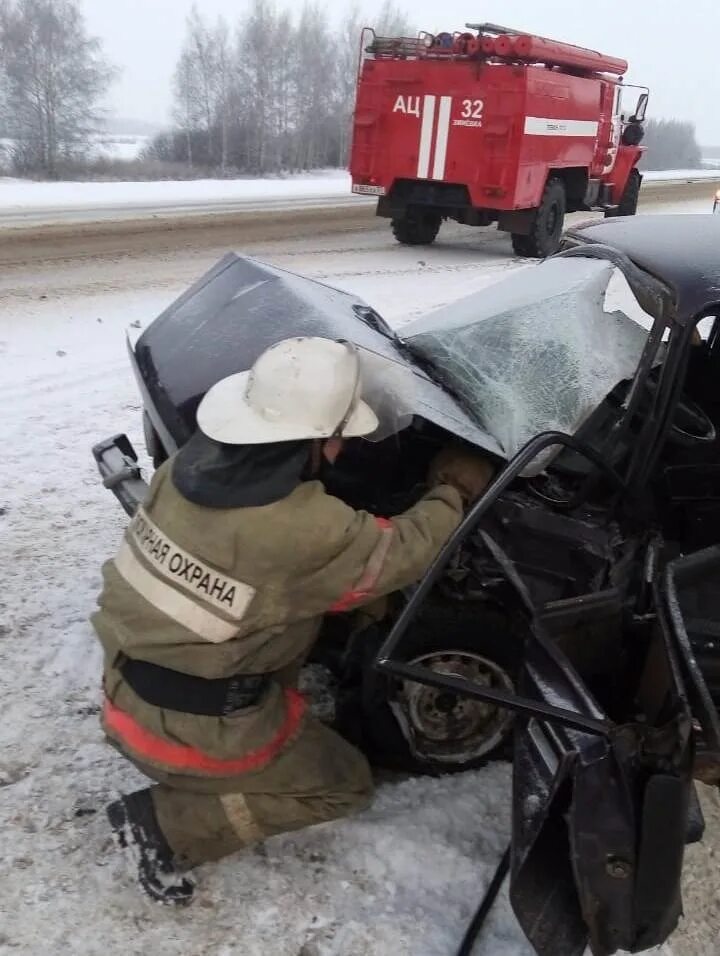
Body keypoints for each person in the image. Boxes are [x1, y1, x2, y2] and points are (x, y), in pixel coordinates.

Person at [92, 336, 494, 904]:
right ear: (311, 440)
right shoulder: (303, 530)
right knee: (342, 785)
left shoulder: (186, 468)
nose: (339, 452)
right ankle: (165, 826)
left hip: (123, 685)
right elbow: (407, 548)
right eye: (336, 439)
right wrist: (452, 489)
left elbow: (273, 580)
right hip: (187, 733)